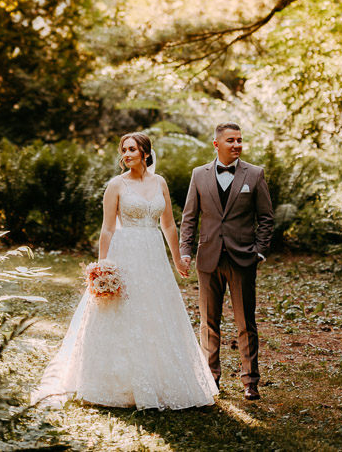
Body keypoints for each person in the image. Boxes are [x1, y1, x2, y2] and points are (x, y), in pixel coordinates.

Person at [31, 132, 217, 409]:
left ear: (145, 153)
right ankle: (116, 383)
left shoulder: (160, 182)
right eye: (124, 150)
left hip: (154, 256)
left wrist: (177, 259)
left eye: (132, 149)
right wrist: (101, 267)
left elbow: (168, 225)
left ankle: (160, 378)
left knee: (156, 311)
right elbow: (107, 228)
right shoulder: (116, 185)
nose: (126, 154)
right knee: (122, 311)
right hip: (125, 252)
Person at [180, 122, 274, 401]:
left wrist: (259, 251)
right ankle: (211, 379)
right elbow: (189, 218)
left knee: (246, 322)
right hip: (208, 259)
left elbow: (266, 218)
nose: (236, 145)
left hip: (242, 258)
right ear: (216, 144)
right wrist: (185, 251)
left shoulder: (255, 174)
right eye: (231, 140)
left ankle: (250, 381)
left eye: (239, 140)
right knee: (208, 323)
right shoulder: (199, 175)